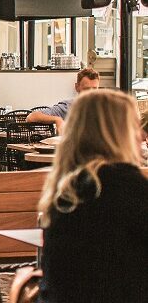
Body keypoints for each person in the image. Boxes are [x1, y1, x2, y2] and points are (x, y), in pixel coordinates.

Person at [37, 89, 148, 303]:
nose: (141, 135)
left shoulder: (68, 188)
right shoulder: (124, 184)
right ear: (115, 133)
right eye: (133, 125)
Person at [27, 67, 100, 134]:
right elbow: (31, 117)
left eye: (94, 89)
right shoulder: (68, 107)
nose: (91, 93)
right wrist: (57, 119)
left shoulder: (105, 107)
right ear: (77, 87)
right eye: (86, 89)